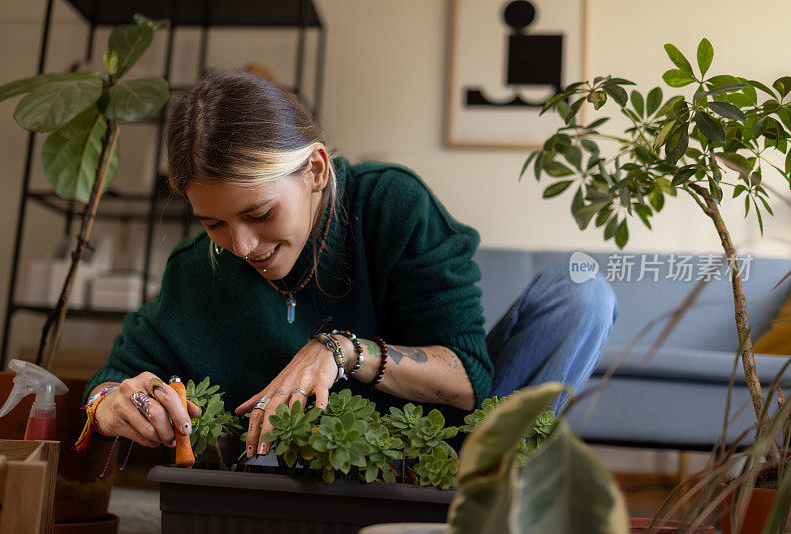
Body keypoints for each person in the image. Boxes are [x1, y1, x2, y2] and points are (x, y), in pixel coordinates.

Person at [80, 70, 616, 460]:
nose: (241, 246)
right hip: (307, 476)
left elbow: (468, 378)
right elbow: (114, 377)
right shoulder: (198, 270)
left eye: (260, 213)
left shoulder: (390, 206)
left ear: (314, 169)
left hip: (449, 450)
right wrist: (110, 402)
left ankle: (480, 497)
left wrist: (343, 351)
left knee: (582, 294)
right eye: (214, 223)